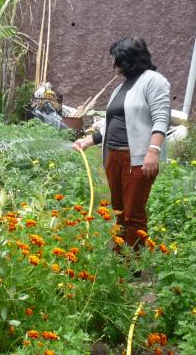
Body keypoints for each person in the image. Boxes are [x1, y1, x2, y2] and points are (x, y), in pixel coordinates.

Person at [73, 37, 170, 251]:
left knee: (132, 213)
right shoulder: (121, 88)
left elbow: (161, 118)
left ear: (127, 58)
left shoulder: (154, 80)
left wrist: (153, 152)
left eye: (115, 58)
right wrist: (88, 141)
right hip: (114, 157)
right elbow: (112, 124)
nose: (112, 63)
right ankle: (120, 260)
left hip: (137, 159)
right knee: (117, 211)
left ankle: (133, 266)